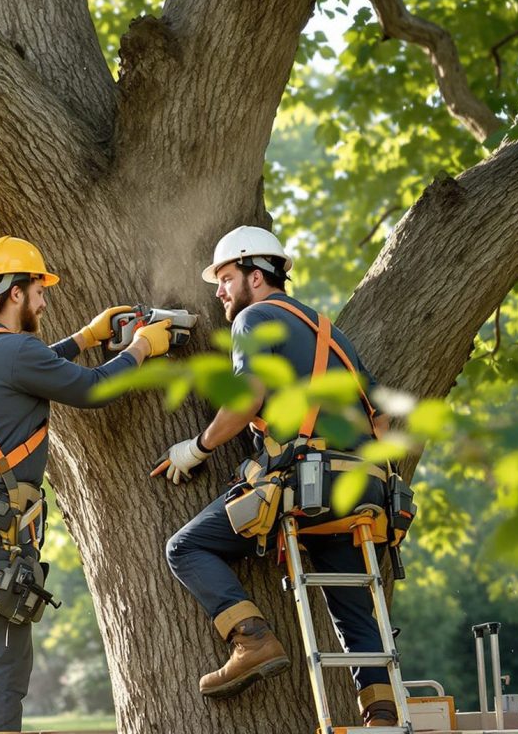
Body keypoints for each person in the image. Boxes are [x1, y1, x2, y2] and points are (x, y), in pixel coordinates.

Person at [159, 226, 398, 726]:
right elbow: (384, 418)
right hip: (358, 489)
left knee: (184, 547)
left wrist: (196, 448)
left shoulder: (254, 318)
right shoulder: (330, 333)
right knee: (353, 608)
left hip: (303, 484)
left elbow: (247, 398)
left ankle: (253, 641)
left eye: (225, 278)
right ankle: (381, 710)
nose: (220, 291)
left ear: (256, 274)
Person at [0, 236, 172, 734]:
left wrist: (85, 339)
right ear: (16, 293)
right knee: (4, 657)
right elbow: (91, 389)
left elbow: (31, 369)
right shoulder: (16, 349)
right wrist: (140, 349)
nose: (44, 300)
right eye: (38, 289)